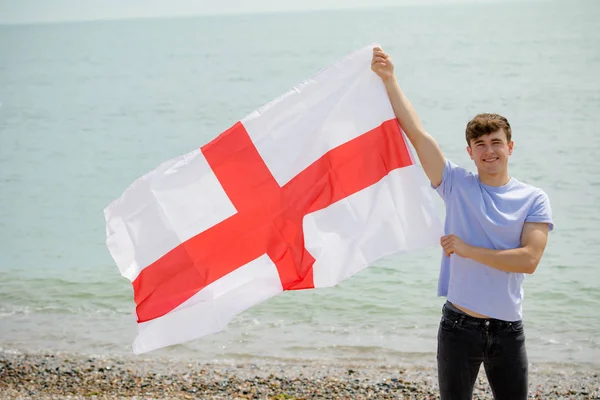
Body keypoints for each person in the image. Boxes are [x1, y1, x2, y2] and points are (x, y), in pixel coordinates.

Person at [371, 46, 554, 400]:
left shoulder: (534, 198)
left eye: (496, 143)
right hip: (458, 326)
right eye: (480, 144)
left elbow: (528, 260)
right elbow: (417, 134)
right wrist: (389, 79)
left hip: (508, 330)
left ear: (510, 147)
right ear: (469, 151)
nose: (489, 151)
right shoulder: (455, 184)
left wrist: (467, 250)